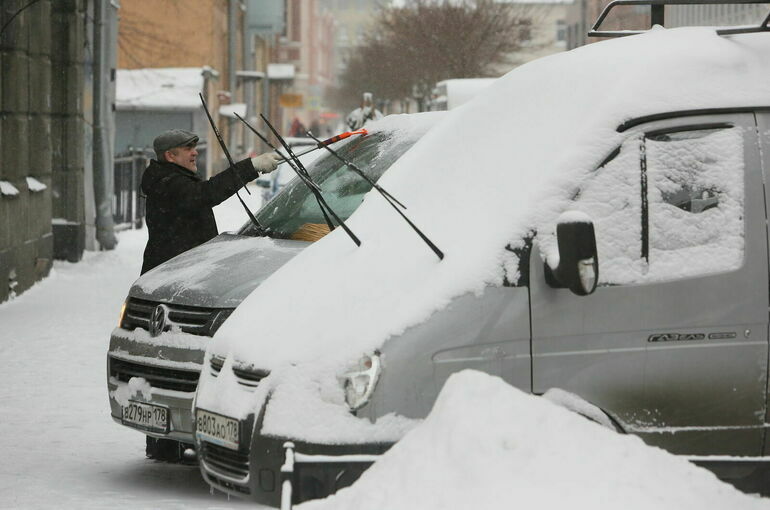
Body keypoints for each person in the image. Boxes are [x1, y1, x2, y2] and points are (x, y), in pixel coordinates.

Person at [140, 128, 282, 275]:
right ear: (170, 156)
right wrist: (251, 166)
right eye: (188, 149)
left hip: (181, 269)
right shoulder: (167, 183)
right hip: (170, 274)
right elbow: (206, 193)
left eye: (194, 148)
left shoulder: (173, 178)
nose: (195, 152)